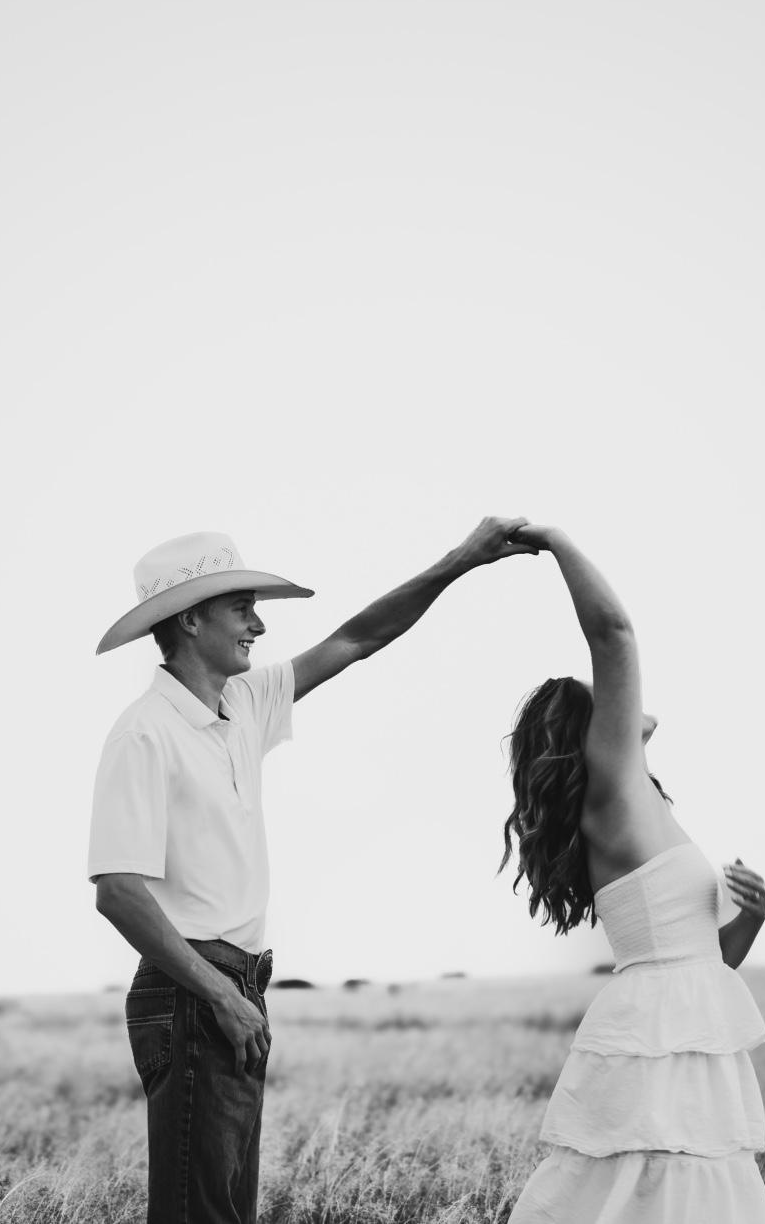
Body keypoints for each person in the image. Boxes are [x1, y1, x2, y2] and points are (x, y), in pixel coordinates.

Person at [88, 519, 537, 1224]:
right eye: (243, 608)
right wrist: (220, 994)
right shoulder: (144, 733)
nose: (259, 625)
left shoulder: (244, 704)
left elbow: (358, 639)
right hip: (193, 991)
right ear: (191, 619)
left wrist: (462, 561)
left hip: (235, 988)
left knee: (225, 1212)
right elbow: (118, 892)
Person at [500, 523, 765, 1223]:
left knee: (671, 1188)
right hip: (653, 1029)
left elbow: (705, 965)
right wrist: (554, 540)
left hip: (676, 1023)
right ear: (594, 734)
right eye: (601, 696)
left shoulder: (639, 802)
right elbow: (614, 634)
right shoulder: (613, 788)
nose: (618, 697)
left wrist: (751, 921)